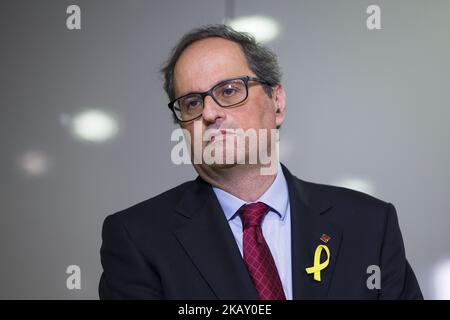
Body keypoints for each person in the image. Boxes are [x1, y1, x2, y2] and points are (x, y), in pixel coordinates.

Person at [99, 24, 423, 299]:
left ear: (277, 102)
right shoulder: (137, 238)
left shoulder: (369, 224)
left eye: (228, 90)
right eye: (192, 102)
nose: (210, 113)